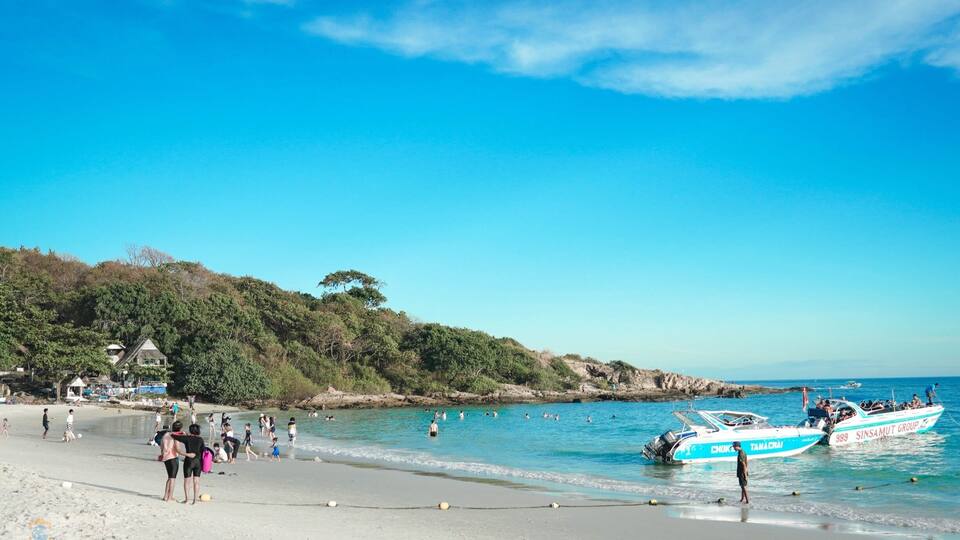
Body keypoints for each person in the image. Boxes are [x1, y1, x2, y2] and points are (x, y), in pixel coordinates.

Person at [172, 424, 204, 504]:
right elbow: (203, 450)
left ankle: (187, 500)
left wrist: (182, 433)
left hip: (189, 460)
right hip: (198, 461)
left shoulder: (187, 438)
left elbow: (173, 435)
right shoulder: (200, 439)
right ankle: (195, 501)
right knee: (196, 481)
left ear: (190, 430)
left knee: (187, 481)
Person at [159, 421, 190, 502]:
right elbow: (178, 449)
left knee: (169, 477)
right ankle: (170, 497)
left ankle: (165, 496)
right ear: (180, 428)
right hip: (173, 457)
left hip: (166, 457)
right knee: (173, 478)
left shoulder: (166, 435)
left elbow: (161, 446)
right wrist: (187, 455)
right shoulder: (176, 437)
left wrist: (162, 454)